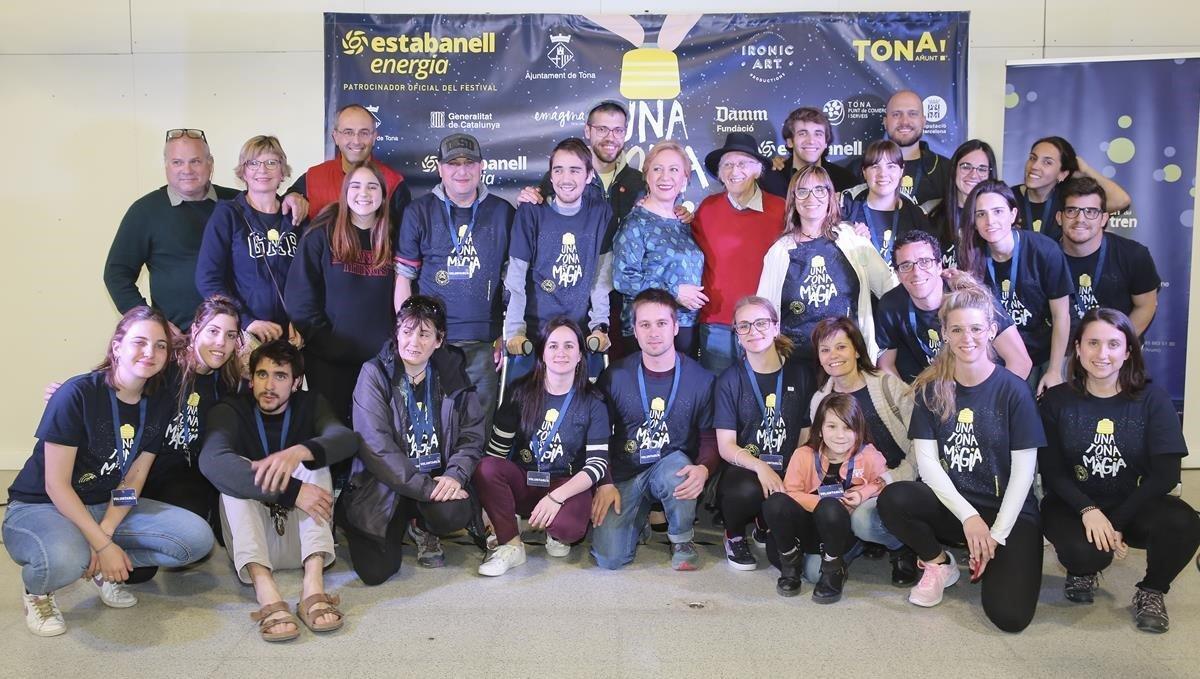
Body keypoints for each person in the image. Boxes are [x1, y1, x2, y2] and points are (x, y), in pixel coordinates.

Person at [4, 307, 214, 637]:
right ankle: (37, 592)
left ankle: (102, 568)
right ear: (117, 346)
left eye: (160, 345)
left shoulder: (157, 402)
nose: (150, 352)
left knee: (196, 539)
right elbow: (56, 485)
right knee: (65, 559)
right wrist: (102, 544)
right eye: (140, 342)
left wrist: (106, 531)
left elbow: (134, 478)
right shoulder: (77, 395)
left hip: (104, 501)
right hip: (42, 505)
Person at [877, 282, 1045, 633]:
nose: (966, 338)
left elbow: (1024, 473)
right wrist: (969, 518)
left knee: (1010, 618)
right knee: (895, 498)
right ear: (944, 334)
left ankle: (990, 551)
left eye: (975, 328)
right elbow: (927, 464)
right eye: (957, 329)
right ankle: (939, 562)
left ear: (991, 331)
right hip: (956, 508)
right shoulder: (932, 389)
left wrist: (995, 534)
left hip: (1008, 514)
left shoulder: (1014, 391)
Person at [1039, 308, 1199, 633]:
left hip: (1134, 503)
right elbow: (1052, 472)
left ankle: (1152, 590)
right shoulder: (1055, 401)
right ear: (1078, 348)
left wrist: (1117, 523)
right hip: (1073, 504)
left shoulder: (1153, 400)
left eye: (1113, 344)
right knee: (1087, 555)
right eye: (1093, 343)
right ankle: (1081, 570)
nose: (1102, 354)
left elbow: (1166, 475)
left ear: (1128, 352)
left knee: (1184, 522)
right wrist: (1088, 510)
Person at [199, 340, 357, 642]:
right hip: (254, 544)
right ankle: (265, 589)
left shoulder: (311, 404)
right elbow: (211, 461)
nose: (269, 385)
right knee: (234, 471)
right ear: (251, 378)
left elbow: (346, 440)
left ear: (296, 382)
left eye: (280, 376)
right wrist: (292, 492)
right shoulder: (230, 409)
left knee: (314, 461)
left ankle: (314, 584)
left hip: (304, 541)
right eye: (261, 374)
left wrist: (298, 451)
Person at [338, 296, 486, 584]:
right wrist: (427, 488)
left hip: (434, 477)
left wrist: (455, 476)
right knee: (375, 572)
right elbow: (376, 448)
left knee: (455, 511)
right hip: (384, 485)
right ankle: (363, 521)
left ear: (439, 340)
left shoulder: (451, 372)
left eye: (424, 334)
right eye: (407, 331)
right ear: (396, 333)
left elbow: (472, 434)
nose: (414, 342)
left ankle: (421, 526)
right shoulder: (374, 373)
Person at [394, 133, 515, 434]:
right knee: (432, 426)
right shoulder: (418, 212)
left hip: (482, 344)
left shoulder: (503, 213)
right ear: (439, 168)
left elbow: (513, 284)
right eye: (453, 164)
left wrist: (504, 333)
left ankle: (470, 482)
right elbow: (404, 279)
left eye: (469, 163)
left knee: (478, 427)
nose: (462, 171)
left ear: (482, 167)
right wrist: (408, 335)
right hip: (434, 343)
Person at [473, 318, 610, 576]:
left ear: (580, 355)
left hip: (565, 484)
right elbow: (495, 454)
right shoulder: (520, 392)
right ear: (542, 353)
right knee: (486, 468)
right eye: (553, 345)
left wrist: (556, 497)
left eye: (569, 346)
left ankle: (550, 528)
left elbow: (597, 465)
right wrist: (487, 504)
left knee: (568, 529)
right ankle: (511, 544)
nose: (561, 353)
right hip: (526, 480)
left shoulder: (594, 400)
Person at [591, 289, 716, 570]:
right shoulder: (614, 376)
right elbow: (597, 435)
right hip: (625, 472)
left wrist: (704, 468)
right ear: (634, 330)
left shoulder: (701, 378)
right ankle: (639, 519)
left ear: (675, 327)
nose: (653, 332)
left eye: (661, 323)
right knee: (609, 559)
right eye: (645, 324)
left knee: (678, 472)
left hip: (670, 466)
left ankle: (682, 539)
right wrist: (605, 481)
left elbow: (709, 436)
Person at [757, 165, 896, 381]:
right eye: (802, 191)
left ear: (830, 195)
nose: (811, 197)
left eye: (820, 190)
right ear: (793, 199)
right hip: (796, 366)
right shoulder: (779, 252)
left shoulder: (853, 239)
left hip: (848, 363)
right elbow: (763, 312)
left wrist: (888, 346)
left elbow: (890, 288)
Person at [285, 161, 396, 425]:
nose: (364, 193)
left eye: (372, 187)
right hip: (328, 361)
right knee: (333, 439)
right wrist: (327, 342)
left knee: (376, 439)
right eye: (356, 186)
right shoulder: (320, 236)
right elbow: (300, 300)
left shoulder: (394, 237)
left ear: (383, 195)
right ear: (345, 192)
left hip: (380, 363)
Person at [807, 317, 917, 583]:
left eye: (841, 347)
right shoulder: (820, 400)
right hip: (850, 491)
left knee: (865, 522)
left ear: (857, 349)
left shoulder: (888, 386)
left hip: (897, 482)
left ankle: (902, 547)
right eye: (825, 350)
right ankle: (862, 540)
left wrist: (889, 479)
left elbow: (921, 446)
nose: (833, 356)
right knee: (812, 572)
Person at [104, 129, 241, 330]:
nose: (187, 170)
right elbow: (116, 274)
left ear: (210, 164)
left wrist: (294, 198)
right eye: (177, 162)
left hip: (238, 335)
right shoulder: (145, 211)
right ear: (166, 166)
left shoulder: (238, 203)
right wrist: (151, 323)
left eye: (195, 161)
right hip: (178, 340)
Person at [713, 296, 813, 571]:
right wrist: (760, 467)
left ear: (775, 327)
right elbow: (726, 446)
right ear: (736, 333)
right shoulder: (729, 380)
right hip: (748, 467)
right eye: (743, 326)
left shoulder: (801, 373)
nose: (753, 331)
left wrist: (797, 471)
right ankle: (733, 535)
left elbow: (806, 431)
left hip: (789, 463)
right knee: (743, 491)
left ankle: (763, 522)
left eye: (760, 323)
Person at [763, 393, 890, 602]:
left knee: (814, 572)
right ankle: (790, 561)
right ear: (820, 429)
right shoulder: (804, 454)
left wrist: (862, 493)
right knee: (775, 502)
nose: (840, 435)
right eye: (831, 426)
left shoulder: (869, 454)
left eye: (848, 427)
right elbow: (790, 493)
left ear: (859, 430)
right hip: (808, 529)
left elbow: (886, 482)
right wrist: (823, 503)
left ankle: (833, 567)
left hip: (840, 532)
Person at [503, 138, 614, 377]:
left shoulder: (601, 213)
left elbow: (601, 278)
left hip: (580, 334)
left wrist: (600, 326)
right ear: (550, 176)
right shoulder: (531, 211)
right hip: (534, 334)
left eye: (574, 170)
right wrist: (514, 332)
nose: (566, 179)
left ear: (589, 175)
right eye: (558, 170)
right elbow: (516, 278)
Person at [959, 179, 1074, 393]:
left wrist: (1055, 370)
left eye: (998, 211)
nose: (990, 220)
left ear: (1013, 215)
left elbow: (1062, 316)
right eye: (981, 214)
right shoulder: (970, 258)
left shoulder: (1045, 250)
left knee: (1054, 401)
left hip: (1049, 348)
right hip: (1002, 353)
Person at [876, 230, 1032, 383]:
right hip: (940, 392)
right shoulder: (890, 306)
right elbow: (886, 365)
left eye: (925, 262)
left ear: (939, 266)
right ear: (897, 274)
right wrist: (907, 402)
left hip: (987, 387)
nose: (916, 272)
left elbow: (1020, 362)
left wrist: (994, 403)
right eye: (905, 265)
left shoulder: (972, 296)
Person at [195, 135, 305, 347]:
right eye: (253, 163)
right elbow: (207, 279)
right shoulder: (227, 215)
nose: (262, 170)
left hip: (289, 338)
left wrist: (303, 321)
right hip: (245, 337)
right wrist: (246, 321)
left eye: (272, 163)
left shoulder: (296, 217)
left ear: (283, 172)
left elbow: (310, 279)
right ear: (243, 172)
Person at [691, 133, 786, 373]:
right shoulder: (706, 209)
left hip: (764, 325)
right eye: (728, 165)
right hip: (716, 325)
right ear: (720, 174)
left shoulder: (781, 210)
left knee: (762, 397)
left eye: (743, 163)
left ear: (758, 171)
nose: (735, 171)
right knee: (719, 396)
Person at [613, 140, 706, 356]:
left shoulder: (684, 222)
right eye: (657, 169)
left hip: (687, 327)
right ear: (647, 176)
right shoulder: (635, 223)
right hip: (649, 329)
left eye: (674, 170)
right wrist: (673, 292)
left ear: (685, 178)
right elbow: (624, 278)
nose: (665, 177)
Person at [1056, 178, 1160, 334]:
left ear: (1104, 219)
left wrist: (1118, 342)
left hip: (1114, 352)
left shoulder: (1134, 255)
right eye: (1072, 211)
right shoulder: (1043, 257)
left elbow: (1146, 305)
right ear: (1059, 217)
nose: (1080, 219)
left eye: (1090, 212)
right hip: (1060, 350)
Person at [287, 103, 411, 221]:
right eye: (348, 132)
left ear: (374, 138)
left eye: (364, 133)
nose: (356, 141)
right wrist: (292, 197)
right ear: (335, 137)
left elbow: (403, 239)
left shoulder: (393, 183)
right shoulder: (313, 177)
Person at [1013, 136, 1130, 240]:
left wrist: (1086, 170)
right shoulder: (1007, 197)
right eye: (1033, 158)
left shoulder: (1070, 200)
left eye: (1047, 162)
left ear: (1062, 174)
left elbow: (1121, 201)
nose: (1034, 166)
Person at [846, 90, 951, 205]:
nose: (904, 121)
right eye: (896, 114)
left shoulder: (946, 170)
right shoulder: (858, 168)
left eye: (912, 114)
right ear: (885, 122)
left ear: (923, 121)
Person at [840, 140, 933, 264]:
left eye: (891, 166)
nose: (883, 174)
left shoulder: (915, 214)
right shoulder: (847, 210)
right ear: (864, 172)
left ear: (901, 170)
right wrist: (850, 240)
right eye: (875, 166)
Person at [924, 139, 997, 269]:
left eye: (982, 169)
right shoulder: (929, 213)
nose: (973, 175)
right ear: (954, 170)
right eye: (966, 167)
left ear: (990, 174)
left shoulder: (998, 219)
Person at [761, 107, 859, 197]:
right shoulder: (771, 180)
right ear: (790, 142)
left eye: (818, 134)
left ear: (826, 142)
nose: (811, 141)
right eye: (803, 133)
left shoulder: (846, 180)